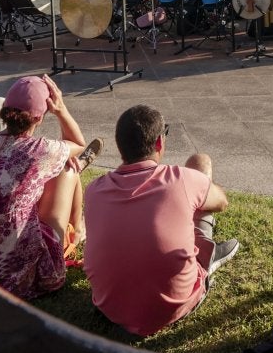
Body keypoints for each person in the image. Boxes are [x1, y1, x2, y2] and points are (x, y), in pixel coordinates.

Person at [83, 105, 239, 337]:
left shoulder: (94, 190)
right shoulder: (181, 179)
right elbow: (221, 202)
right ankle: (207, 251)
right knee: (201, 161)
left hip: (109, 308)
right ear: (158, 143)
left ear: (119, 146)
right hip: (174, 305)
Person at [0, 75, 96, 300]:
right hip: (13, 279)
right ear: (39, 118)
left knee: (48, 171)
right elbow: (78, 143)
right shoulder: (39, 149)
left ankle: (65, 179)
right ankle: (76, 233)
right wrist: (61, 110)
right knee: (68, 170)